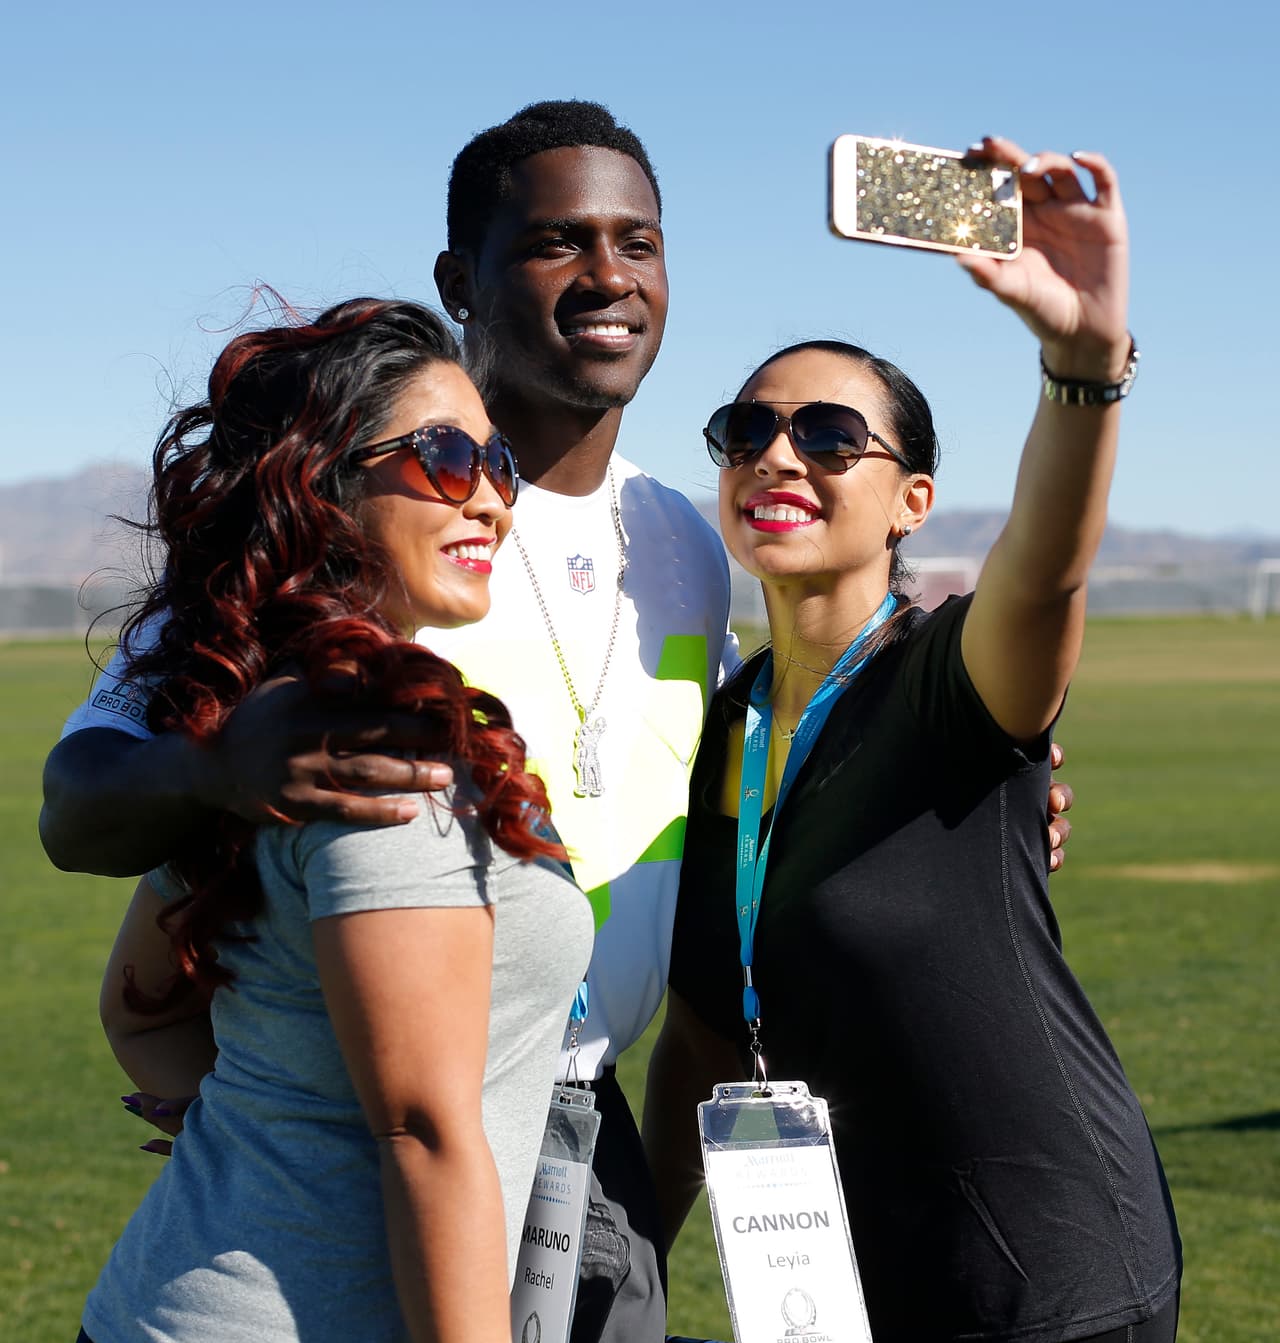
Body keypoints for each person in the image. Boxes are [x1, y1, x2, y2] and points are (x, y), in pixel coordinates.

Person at [43, 104, 1073, 1343]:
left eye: (636, 243)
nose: (607, 278)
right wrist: (215, 770)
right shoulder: (364, 532)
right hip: (413, 1116)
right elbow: (80, 797)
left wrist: (948, 787)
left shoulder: (686, 544)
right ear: (459, 280)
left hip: (595, 1118)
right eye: (555, 243)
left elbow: (740, 769)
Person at [644, 139, 1180, 1343]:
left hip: (1044, 1281)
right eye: (748, 429)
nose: (778, 456)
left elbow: (1043, 575)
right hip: (849, 1283)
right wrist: (626, 1253)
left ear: (910, 501)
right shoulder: (720, 721)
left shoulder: (949, 681)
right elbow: (705, 1028)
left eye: (831, 435)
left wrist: (1081, 367)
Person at [77, 297, 594, 1343]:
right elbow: (425, 1131)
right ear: (322, 481)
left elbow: (142, 1012)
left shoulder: (262, 722)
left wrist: (263, 1141)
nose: (492, 500)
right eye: (448, 456)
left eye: (500, 465)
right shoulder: (369, 746)